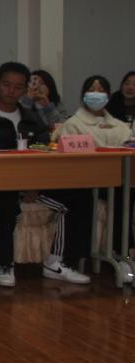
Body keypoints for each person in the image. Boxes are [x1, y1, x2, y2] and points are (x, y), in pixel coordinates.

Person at [0, 62, 91, 287]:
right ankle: (5, 265)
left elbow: (44, 149)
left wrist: (34, 183)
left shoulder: (31, 117)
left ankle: (58, 262)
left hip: (32, 183)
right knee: (5, 201)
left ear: (24, 90)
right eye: (6, 85)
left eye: (18, 87)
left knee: (81, 196)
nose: (11, 91)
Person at [55, 75, 135, 265]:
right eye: (92, 90)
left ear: (108, 95)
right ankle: (89, 256)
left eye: (101, 90)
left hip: (116, 180)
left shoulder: (119, 125)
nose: (96, 94)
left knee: (126, 194)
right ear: (84, 95)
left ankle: (123, 253)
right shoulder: (73, 124)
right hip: (85, 180)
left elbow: (129, 145)